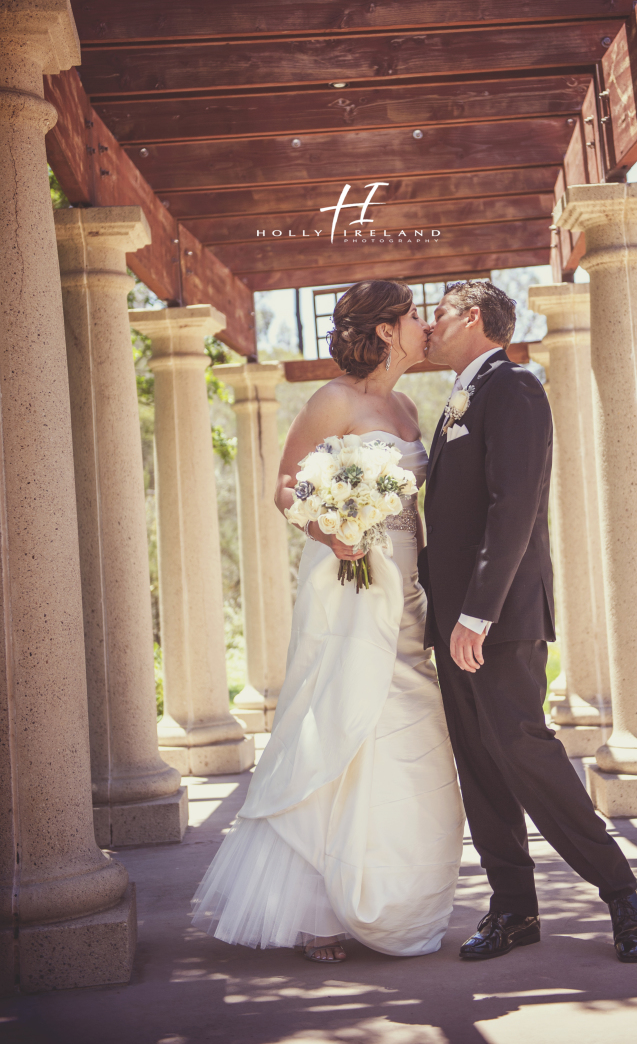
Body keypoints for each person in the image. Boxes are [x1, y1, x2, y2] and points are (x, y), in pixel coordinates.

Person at [192, 280, 464, 964]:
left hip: (407, 592)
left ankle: (389, 894)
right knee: (340, 716)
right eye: (410, 316)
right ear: (383, 330)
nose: (422, 325)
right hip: (347, 580)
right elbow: (285, 483)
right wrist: (332, 527)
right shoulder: (333, 399)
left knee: (407, 727)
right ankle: (318, 912)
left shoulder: (406, 403)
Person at [421, 279, 637, 964]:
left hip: (496, 620)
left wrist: (476, 615)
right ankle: (514, 911)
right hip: (452, 622)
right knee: (482, 767)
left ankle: (621, 891)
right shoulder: (458, 399)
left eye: (437, 315)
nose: (429, 328)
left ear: (471, 319)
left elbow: (514, 506)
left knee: (527, 756)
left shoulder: (515, 387)